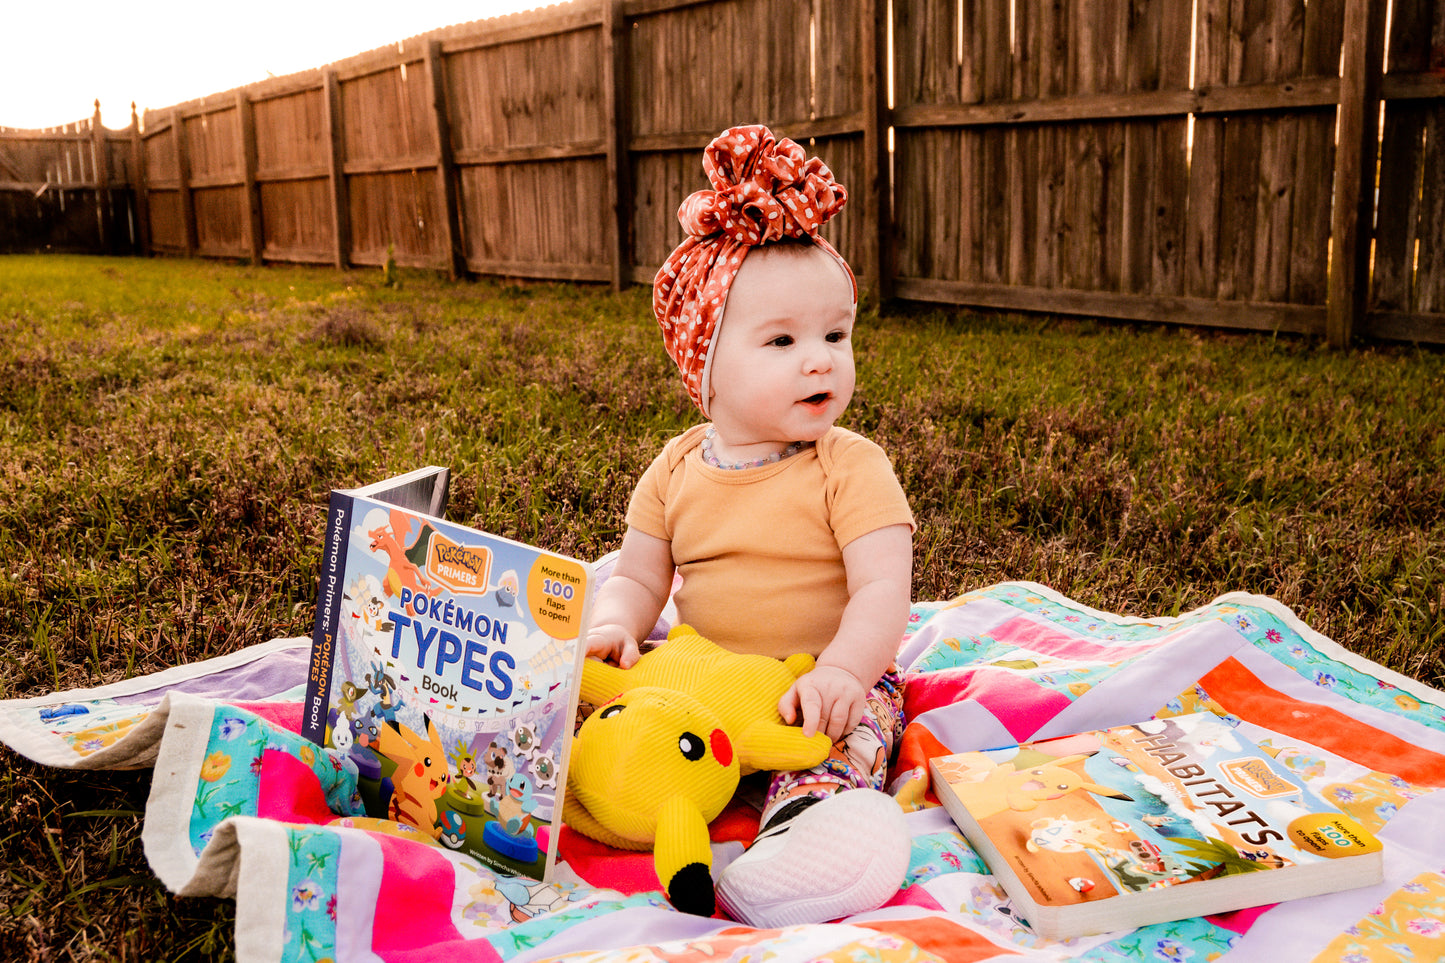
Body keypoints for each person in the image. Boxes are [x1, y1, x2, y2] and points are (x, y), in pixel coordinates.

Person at [585, 125, 915, 928]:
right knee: (614, 713)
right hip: (703, 678)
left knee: (845, 735)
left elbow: (882, 587)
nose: (820, 360)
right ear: (704, 367)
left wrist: (841, 668)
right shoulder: (674, 467)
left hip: (815, 679)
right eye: (783, 340)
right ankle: (604, 796)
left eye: (835, 336)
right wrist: (615, 626)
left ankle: (808, 831)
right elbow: (636, 574)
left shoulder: (849, 465)